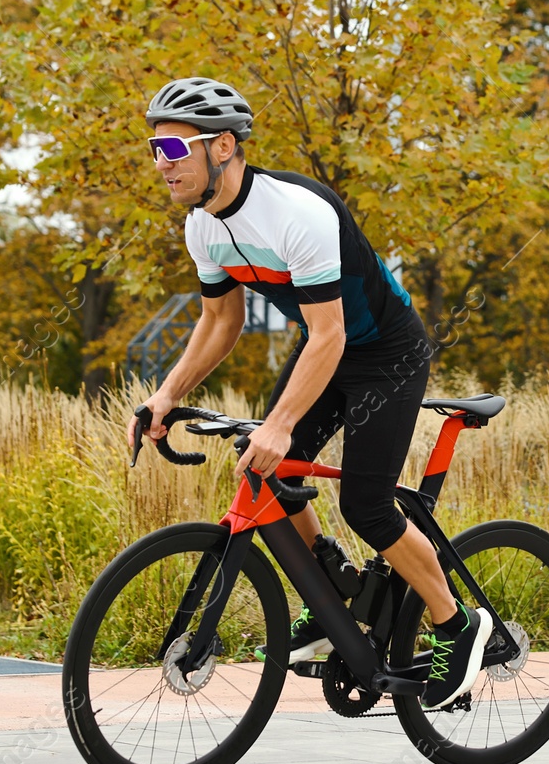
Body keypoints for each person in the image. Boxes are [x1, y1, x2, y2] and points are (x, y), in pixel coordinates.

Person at [127, 76, 492, 710]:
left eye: (175, 150)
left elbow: (328, 334)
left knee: (367, 506)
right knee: (268, 471)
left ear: (221, 148)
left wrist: (281, 423)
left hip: (386, 354)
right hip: (328, 346)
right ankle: (333, 587)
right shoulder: (203, 228)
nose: (162, 164)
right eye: (155, 149)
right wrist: (166, 395)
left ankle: (456, 626)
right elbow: (221, 322)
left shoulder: (297, 211)